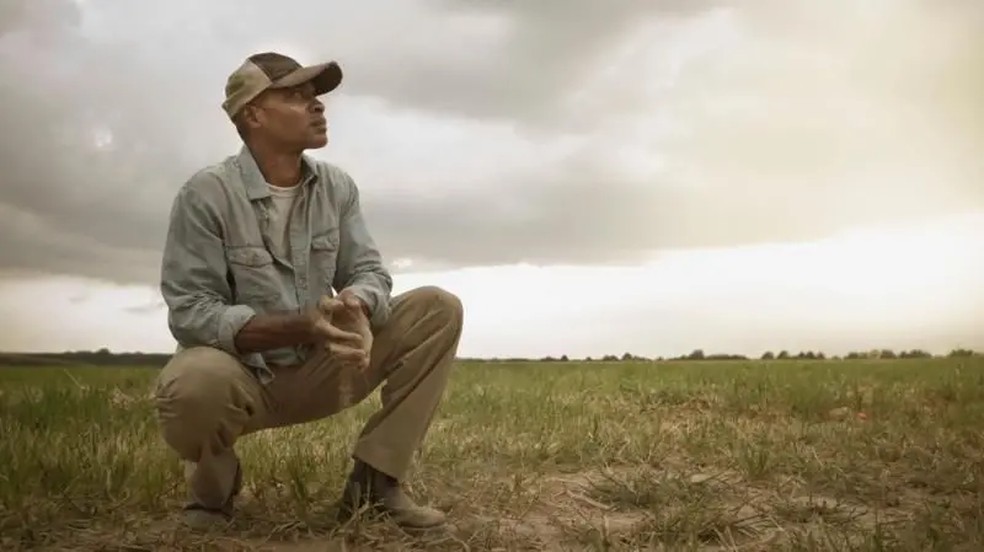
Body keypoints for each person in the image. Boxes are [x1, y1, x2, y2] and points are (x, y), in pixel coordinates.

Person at [153, 51, 464, 532]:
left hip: (327, 367)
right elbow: (192, 313)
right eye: (296, 96)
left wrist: (357, 304)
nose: (317, 106)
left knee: (436, 309)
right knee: (192, 382)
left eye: (315, 97)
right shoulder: (206, 194)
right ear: (253, 114)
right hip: (245, 379)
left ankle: (375, 484)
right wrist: (300, 324)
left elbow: (367, 269)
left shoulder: (336, 187)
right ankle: (213, 493)